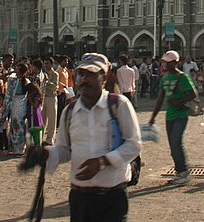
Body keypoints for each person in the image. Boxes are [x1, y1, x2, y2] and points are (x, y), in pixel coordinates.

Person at [40, 52, 142, 222]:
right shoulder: (70, 112)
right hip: (80, 196)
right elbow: (64, 150)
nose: (84, 79)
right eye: (81, 74)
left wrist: (102, 162)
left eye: (91, 74)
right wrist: (46, 154)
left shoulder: (118, 105)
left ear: (104, 78)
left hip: (112, 196)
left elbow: (134, 145)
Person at [149, 50, 198, 186]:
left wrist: (177, 102)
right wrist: (153, 116)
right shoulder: (164, 79)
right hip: (169, 115)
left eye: (169, 62)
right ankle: (180, 172)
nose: (165, 64)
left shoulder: (182, 77)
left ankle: (183, 173)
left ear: (176, 62)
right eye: (165, 61)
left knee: (176, 142)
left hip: (181, 114)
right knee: (173, 145)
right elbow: (160, 99)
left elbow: (193, 94)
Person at [5, 62, 31, 155]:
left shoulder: (26, 81)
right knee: (14, 123)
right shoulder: (13, 80)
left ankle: (19, 146)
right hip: (15, 102)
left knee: (19, 123)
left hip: (21, 102)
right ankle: (14, 145)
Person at [42, 57, 59, 146]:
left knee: (52, 119)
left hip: (51, 97)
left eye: (47, 63)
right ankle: (41, 137)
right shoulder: (42, 74)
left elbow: (55, 86)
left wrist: (47, 81)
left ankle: (50, 139)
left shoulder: (55, 74)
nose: (45, 65)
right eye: (45, 64)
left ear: (52, 64)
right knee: (42, 118)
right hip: (43, 97)